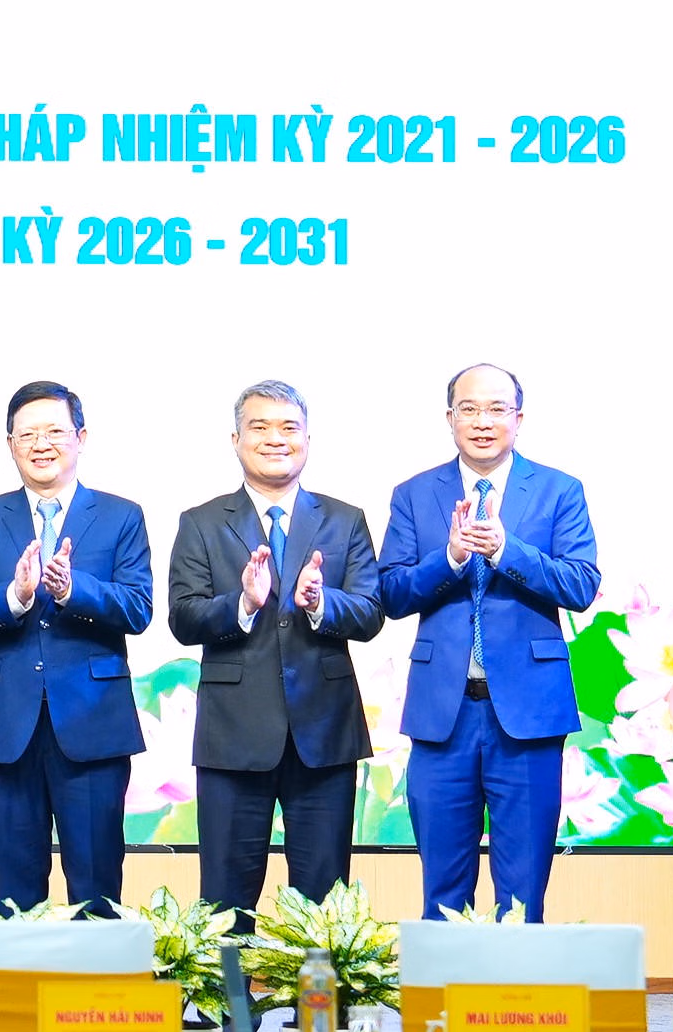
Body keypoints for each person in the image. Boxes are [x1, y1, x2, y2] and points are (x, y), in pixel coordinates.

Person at [381, 363, 599, 921]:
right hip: (443, 715)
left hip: (528, 715)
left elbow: (581, 584)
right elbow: (392, 594)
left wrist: (506, 551)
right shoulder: (414, 494)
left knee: (522, 895)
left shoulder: (559, 490)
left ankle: (516, 982)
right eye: (470, 409)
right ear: (450, 418)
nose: (483, 422)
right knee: (442, 893)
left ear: (519, 419)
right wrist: (450, 559)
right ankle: (443, 982)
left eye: (497, 409)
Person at [168, 380, 383, 930]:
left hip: (324, 733)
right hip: (233, 735)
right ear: (236, 440)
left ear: (308, 439)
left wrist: (321, 603)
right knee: (225, 899)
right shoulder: (202, 522)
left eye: (289, 427)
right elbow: (183, 618)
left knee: (322, 902)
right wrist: (241, 604)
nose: (275, 439)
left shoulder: (345, 519)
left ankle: (316, 991)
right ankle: (229, 990)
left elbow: (370, 612)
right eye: (260, 427)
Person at [0, 381, 152, 916]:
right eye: (28, 434)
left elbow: (138, 608)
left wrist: (72, 590)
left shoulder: (121, 515)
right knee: (15, 894)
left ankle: (95, 974)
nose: (42, 444)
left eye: (55, 431)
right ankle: (21, 974)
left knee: (97, 888)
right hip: (7, 726)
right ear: (10, 444)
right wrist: (14, 597)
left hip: (93, 724)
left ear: (80, 437)